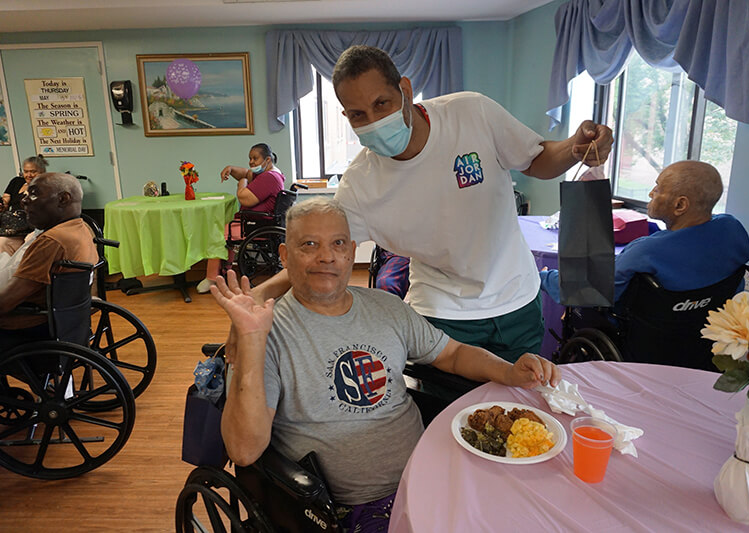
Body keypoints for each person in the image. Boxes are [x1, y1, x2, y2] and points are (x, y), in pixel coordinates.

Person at [211, 198, 560, 532]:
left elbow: (452, 354)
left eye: (338, 243)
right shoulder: (266, 330)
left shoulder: (387, 308)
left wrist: (509, 370)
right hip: (353, 507)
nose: (326, 257)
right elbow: (244, 450)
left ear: (351, 252)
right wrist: (251, 340)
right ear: (285, 256)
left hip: (435, 471)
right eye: (309, 245)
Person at [251, 45, 614, 365]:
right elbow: (324, 256)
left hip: (516, 297)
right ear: (347, 118)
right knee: (447, 417)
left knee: (521, 413)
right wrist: (262, 293)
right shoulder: (361, 186)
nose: (375, 121)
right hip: (441, 312)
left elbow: (535, 159)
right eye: (359, 115)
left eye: (382, 104)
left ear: (405, 91)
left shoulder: (471, 114)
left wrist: (574, 148)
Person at [538, 160, 749, 304]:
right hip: (702, 333)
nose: (650, 193)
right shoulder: (732, 230)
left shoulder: (645, 251)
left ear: (680, 205)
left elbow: (584, 289)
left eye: (658, 189)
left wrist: (544, 277)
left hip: (641, 335)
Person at [0, 172, 97, 359]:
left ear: (63, 198)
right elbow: (22, 278)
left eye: (33, 193)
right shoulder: (80, 229)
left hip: (31, 326)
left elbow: (0, 303)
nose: (24, 200)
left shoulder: (51, 241)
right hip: (66, 323)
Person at [197, 143, 286, 293]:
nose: (251, 162)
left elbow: (245, 199)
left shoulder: (269, 178)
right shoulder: (270, 174)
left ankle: (212, 278)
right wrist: (231, 169)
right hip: (258, 222)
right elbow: (246, 172)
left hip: (256, 224)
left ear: (268, 160)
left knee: (218, 232)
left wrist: (242, 183)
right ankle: (226, 270)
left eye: (255, 158)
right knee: (228, 228)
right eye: (250, 158)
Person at [0, 155, 48, 257]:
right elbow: (5, 201)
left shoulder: (47, 186)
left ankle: (25, 271)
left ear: (42, 172)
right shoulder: (16, 182)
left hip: (35, 228)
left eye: (33, 172)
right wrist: (1, 206)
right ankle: (6, 272)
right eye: (26, 171)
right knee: (1, 242)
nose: (29, 175)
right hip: (16, 228)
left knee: (29, 239)